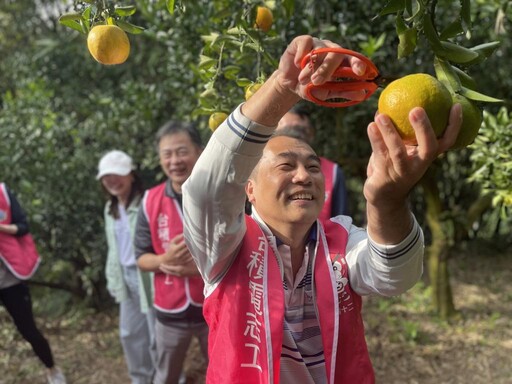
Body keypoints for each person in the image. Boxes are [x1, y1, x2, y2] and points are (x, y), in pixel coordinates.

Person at [182, 35, 462, 383]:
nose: (304, 176)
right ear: (249, 189)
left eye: (313, 167)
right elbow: (206, 189)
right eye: (286, 166)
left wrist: (387, 200)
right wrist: (282, 88)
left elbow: (396, 276)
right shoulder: (225, 249)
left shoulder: (342, 240)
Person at [135, 121, 208, 384]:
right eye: (167, 154)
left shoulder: (216, 194)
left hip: (214, 305)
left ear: (199, 152)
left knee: (225, 371)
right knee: (165, 375)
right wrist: (163, 260)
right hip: (169, 311)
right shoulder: (150, 200)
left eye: (181, 151)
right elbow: (141, 258)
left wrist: (200, 267)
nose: (174, 161)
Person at [96, 150, 156, 384]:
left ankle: (167, 378)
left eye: (118, 174)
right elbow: (114, 249)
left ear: (131, 174)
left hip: (148, 275)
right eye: (107, 176)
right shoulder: (110, 209)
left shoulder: (147, 202)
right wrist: (112, 279)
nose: (112, 181)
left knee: (156, 335)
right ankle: (140, 379)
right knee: (129, 333)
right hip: (125, 276)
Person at [0, 183, 67, 384]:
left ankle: (52, 369)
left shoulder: (2, 193)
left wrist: (1, 228)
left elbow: (23, 226)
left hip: (10, 277)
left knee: (28, 329)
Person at [276, 104, 349, 219]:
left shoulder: (333, 172)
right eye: (288, 132)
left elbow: (341, 222)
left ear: (311, 134)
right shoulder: (254, 167)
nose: (303, 176)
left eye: (301, 132)